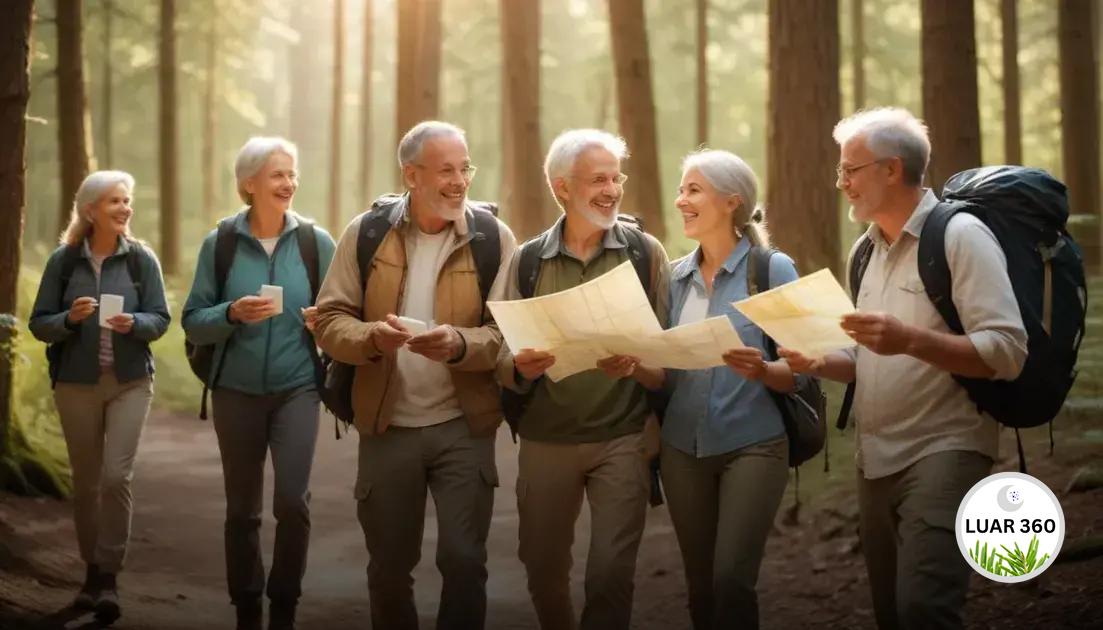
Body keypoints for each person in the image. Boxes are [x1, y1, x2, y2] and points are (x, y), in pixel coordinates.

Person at [781, 107, 1028, 630]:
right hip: (875, 462)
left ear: (892, 170)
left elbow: (1007, 349)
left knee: (924, 610)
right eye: (840, 171)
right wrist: (819, 361)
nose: (842, 183)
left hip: (947, 448)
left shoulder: (961, 236)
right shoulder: (864, 252)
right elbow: (870, 357)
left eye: (851, 170)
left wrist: (911, 339)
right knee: (892, 614)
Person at [313, 121, 517, 630]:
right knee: (388, 568)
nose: (460, 180)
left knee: (465, 563)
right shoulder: (366, 233)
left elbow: (509, 332)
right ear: (411, 174)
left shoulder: (494, 238)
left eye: (464, 167)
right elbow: (330, 319)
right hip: (387, 427)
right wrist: (370, 340)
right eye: (446, 169)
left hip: (463, 426)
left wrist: (459, 344)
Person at [601, 150, 798, 629]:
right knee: (701, 585)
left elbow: (803, 370)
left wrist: (765, 370)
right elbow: (664, 374)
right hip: (681, 451)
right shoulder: (675, 277)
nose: (681, 200)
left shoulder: (771, 270)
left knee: (731, 579)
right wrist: (635, 367)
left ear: (732, 201)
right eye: (681, 189)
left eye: (694, 190)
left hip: (753, 444)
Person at [495, 128, 670, 630]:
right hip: (547, 436)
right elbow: (500, 348)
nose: (612, 190)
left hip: (624, 437)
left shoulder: (645, 253)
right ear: (562, 188)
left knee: (611, 573)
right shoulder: (526, 260)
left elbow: (666, 352)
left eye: (617, 178)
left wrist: (639, 365)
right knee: (543, 566)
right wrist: (517, 366)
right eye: (598, 179)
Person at [182, 137, 336, 630]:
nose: (289, 184)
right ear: (249, 184)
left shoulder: (316, 243)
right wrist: (231, 312)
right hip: (236, 392)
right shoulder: (220, 244)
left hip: (298, 388)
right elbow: (193, 320)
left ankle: (284, 608)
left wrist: (323, 323)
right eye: (277, 175)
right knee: (242, 510)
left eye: (292, 174)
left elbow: (344, 316)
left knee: (293, 501)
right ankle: (247, 606)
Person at [29, 170, 170, 624]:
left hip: (129, 382)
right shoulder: (64, 262)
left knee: (116, 477)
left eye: (126, 201)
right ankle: (90, 573)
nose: (124, 209)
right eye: (114, 201)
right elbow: (39, 323)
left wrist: (137, 324)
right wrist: (68, 318)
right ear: (91, 210)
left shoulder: (140, 259)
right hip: (75, 384)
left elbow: (161, 318)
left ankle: (109, 576)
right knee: (87, 483)